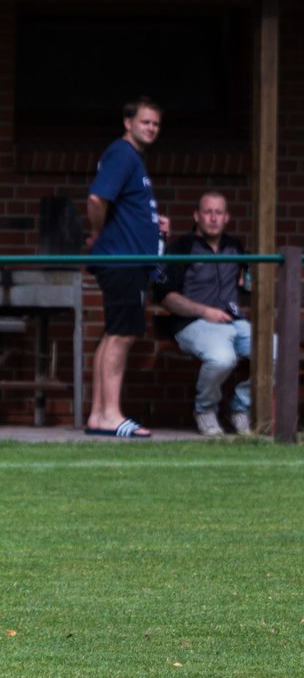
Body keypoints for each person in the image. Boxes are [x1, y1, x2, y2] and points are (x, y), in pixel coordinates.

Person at [84, 96, 170, 438]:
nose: (151, 128)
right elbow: (96, 198)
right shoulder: (122, 153)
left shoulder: (132, 158)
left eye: (155, 124)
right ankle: (110, 415)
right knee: (122, 335)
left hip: (129, 257)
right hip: (123, 260)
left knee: (113, 334)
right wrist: (97, 232)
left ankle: (98, 415)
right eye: (145, 122)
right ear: (128, 122)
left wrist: (153, 224)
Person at [153, 191, 250, 437]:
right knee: (222, 358)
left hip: (234, 322)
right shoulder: (182, 248)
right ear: (197, 216)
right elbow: (166, 297)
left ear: (227, 217)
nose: (213, 218)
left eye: (219, 213)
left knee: (276, 351)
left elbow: (247, 283)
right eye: (208, 212)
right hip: (193, 323)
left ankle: (241, 407)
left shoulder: (235, 246)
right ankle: (205, 409)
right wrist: (205, 311)